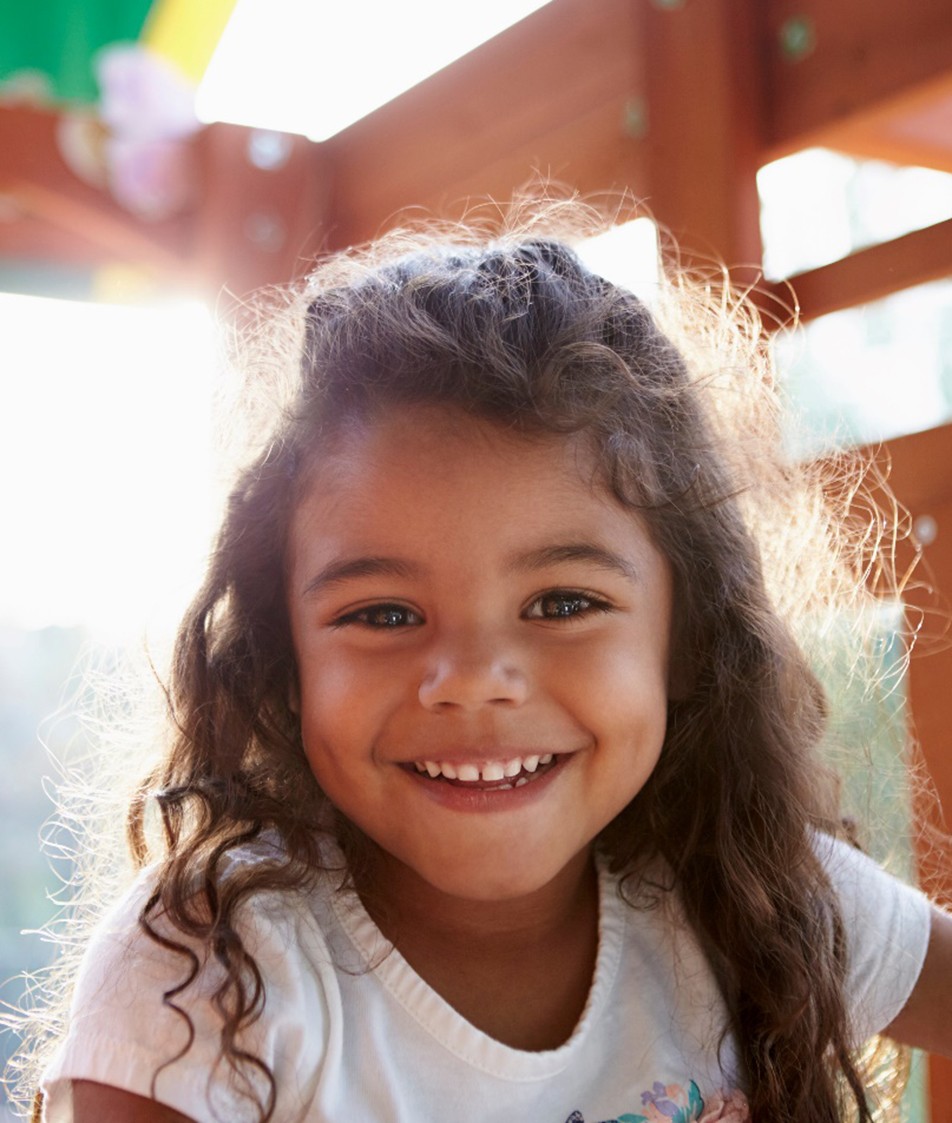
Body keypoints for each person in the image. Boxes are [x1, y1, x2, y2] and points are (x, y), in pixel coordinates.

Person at [18, 219, 952, 1123]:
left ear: (687, 638)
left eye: (562, 603)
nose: (470, 679)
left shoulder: (752, 890)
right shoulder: (211, 970)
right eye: (383, 614)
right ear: (283, 662)